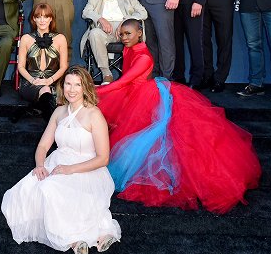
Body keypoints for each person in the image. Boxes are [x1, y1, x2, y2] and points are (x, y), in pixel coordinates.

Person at [96, 19, 261, 214]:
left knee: (156, 136)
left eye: (128, 34)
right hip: (133, 94)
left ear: (140, 33)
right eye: (121, 34)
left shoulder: (144, 58)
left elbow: (123, 81)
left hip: (145, 96)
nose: (124, 38)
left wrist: (97, 91)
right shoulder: (128, 49)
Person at [2, 66, 121, 254]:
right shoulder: (58, 112)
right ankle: (76, 238)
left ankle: (74, 239)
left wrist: (70, 169)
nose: (71, 89)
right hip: (57, 163)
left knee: (52, 189)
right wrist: (40, 165)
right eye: (68, 84)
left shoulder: (94, 114)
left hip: (87, 168)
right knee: (27, 190)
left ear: (85, 87)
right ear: (62, 86)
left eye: (77, 85)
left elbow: (103, 158)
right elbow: (42, 146)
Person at [80, 0, 147, 84]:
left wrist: (125, 22)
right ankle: (107, 74)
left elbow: (142, 13)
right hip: (104, 30)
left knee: (133, 31)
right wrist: (100, 19)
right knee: (94, 33)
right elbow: (86, 12)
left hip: (124, 31)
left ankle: (133, 75)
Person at [10, 2, 68, 123]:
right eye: (38, 17)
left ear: (51, 19)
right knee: (46, 92)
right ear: (34, 19)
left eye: (46, 16)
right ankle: (52, 129)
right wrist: (33, 80)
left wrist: (49, 80)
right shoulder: (26, 38)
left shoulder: (60, 38)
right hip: (30, 83)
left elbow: (63, 67)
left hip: (54, 81)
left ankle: (28, 110)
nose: (42, 20)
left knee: (50, 92)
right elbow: (20, 67)